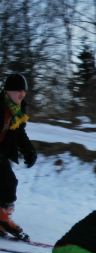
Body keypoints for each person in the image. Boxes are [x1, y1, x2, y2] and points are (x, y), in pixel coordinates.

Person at [0, 73, 37, 241]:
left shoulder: (19, 109)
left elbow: (19, 132)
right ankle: (3, 218)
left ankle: (2, 217)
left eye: (24, 91)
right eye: (17, 91)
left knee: (9, 184)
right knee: (7, 181)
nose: (21, 94)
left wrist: (29, 151)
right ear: (7, 91)